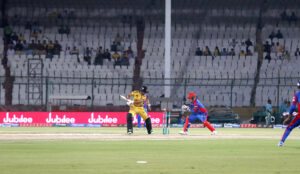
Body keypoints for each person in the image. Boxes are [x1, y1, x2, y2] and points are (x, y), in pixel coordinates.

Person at [278, 81, 300, 146]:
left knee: (289, 127)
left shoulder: (297, 94)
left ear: (298, 87)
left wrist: (289, 117)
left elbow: (293, 107)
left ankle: (281, 142)